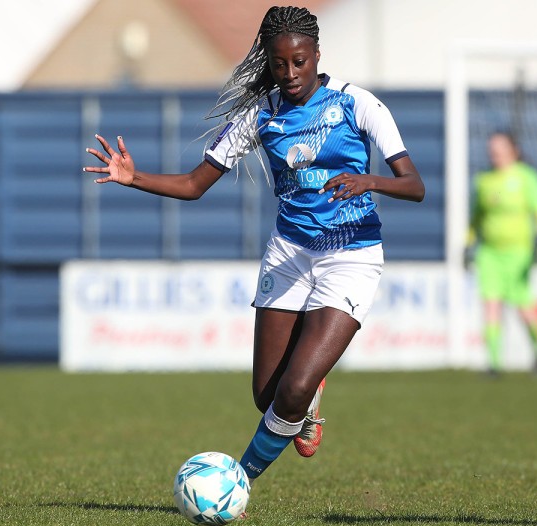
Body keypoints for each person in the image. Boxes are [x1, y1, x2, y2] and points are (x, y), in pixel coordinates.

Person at [83, 6, 424, 484]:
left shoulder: (358, 104)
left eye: (300, 62)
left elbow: (414, 185)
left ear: (317, 55)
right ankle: (302, 404)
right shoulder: (260, 114)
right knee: (269, 397)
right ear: (269, 61)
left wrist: (369, 180)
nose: (290, 74)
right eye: (279, 63)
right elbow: (194, 184)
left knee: (294, 387)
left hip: (351, 254)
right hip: (288, 254)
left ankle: (234, 483)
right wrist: (132, 176)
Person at [468, 131, 537, 375]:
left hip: (519, 253)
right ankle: (494, 364)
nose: (494, 154)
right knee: (491, 305)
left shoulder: (527, 177)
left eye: (500, 148)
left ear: (513, 150)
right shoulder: (483, 180)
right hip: (489, 253)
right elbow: (475, 217)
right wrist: (468, 242)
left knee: (524, 307)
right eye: (491, 149)